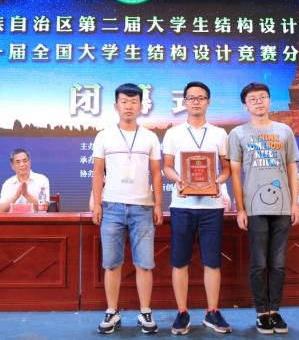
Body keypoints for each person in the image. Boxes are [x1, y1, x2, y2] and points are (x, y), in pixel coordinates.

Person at [228, 82, 299, 335]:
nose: (258, 102)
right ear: (245, 105)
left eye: (262, 97)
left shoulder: (284, 131)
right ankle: (261, 312)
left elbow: (292, 167)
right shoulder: (237, 133)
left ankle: (275, 311)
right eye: (253, 99)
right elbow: (235, 173)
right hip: (254, 208)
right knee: (258, 263)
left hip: (282, 207)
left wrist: (294, 203)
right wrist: (240, 208)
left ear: (269, 101)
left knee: (278, 264)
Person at [91, 83, 163, 334]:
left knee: (145, 264)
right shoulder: (104, 136)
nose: (129, 106)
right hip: (111, 207)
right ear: (116, 106)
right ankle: (112, 312)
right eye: (124, 101)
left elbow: (156, 174)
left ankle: (145, 312)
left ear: (141, 106)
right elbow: (97, 173)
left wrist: (158, 204)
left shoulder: (150, 137)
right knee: (112, 264)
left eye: (134, 102)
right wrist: (97, 204)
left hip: (143, 208)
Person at [162, 81, 232, 335]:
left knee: (212, 261)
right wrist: (179, 180)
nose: (196, 102)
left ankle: (212, 311)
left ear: (208, 102)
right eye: (191, 98)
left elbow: (226, 169)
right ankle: (182, 312)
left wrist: (217, 183)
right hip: (182, 205)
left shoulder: (219, 134)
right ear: (184, 102)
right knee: (179, 260)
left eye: (201, 98)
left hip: (212, 207)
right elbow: (167, 166)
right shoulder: (173, 133)